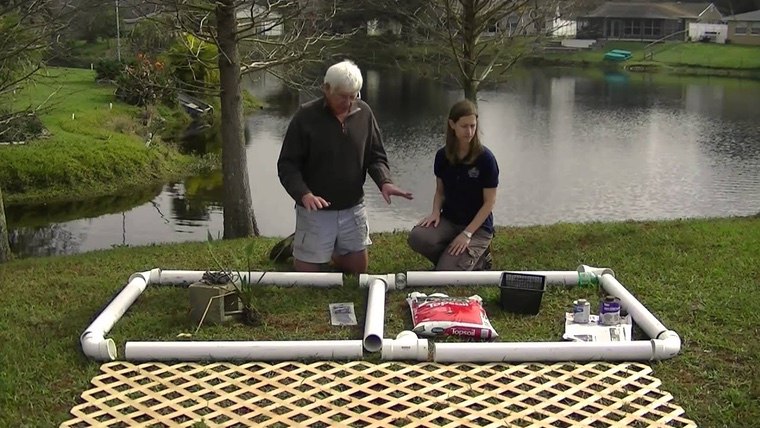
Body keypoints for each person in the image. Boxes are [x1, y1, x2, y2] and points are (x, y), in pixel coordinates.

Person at [277, 60, 413, 274]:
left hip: (352, 208)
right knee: (307, 277)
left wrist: (384, 182)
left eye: (354, 95)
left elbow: (376, 156)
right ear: (326, 89)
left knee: (358, 271)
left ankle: (331, 247)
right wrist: (304, 194)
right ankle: (299, 244)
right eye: (343, 96)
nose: (349, 102)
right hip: (315, 210)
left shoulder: (364, 113)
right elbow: (287, 165)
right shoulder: (305, 117)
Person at [407, 99, 499, 271]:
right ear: (452, 125)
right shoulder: (442, 156)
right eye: (464, 126)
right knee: (417, 237)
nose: (470, 131)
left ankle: (480, 260)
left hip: (478, 228)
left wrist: (467, 233)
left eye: (473, 126)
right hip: (450, 220)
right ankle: (455, 258)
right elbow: (440, 192)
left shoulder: (486, 159)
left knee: (444, 273)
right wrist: (435, 212)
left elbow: (490, 202)